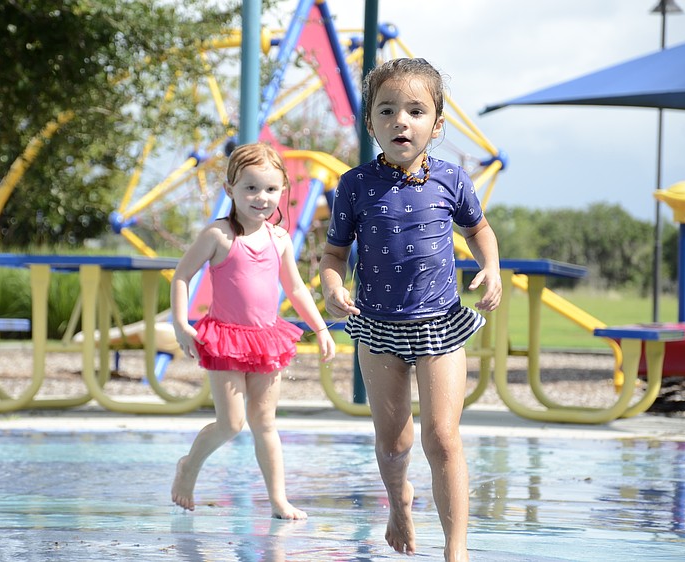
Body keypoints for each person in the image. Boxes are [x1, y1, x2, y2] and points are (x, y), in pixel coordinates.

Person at [320, 58, 502, 560]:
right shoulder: (354, 186)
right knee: (394, 443)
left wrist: (490, 265)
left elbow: (479, 229)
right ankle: (400, 504)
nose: (402, 120)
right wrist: (332, 286)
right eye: (388, 109)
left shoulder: (452, 179)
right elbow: (334, 254)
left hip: (440, 324)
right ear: (371, 122)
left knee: (442, 437)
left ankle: (456, 549)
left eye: (416, 110)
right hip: (377, 328)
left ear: (437, 125)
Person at [171, 142, 335, 520]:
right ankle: (188, 467)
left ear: (282, 192)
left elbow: (294, 289)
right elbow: (182, 276)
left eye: (271, 189)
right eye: (250, 188)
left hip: (265, 339)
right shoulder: (218, 235)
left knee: (265, 422)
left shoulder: (279, 239)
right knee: (231, 423)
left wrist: (321, 328)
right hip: (225, 338)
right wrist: (181, 324)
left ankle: (278, 500)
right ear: (230, 190)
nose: (261, 198)